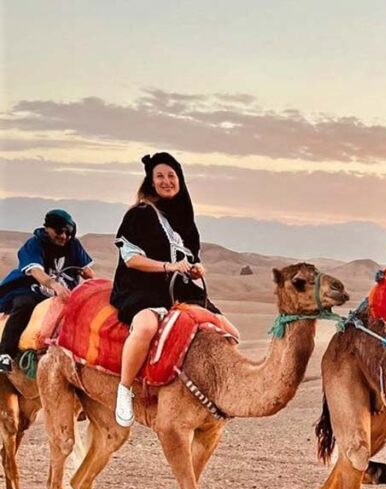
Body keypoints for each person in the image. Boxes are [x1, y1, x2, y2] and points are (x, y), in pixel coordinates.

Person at [111, 152, 238, 427]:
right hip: (141, 287)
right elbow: (131, 259)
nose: (167, 181)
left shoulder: (186, 221)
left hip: (180, 289)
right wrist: (168, 267)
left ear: (180, 180)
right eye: (160, 176)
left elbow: (189, 258)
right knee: (145, 326)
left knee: (230, 331)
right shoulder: (139, 215)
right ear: (151, 181)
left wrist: (194, 269)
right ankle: (124, 389)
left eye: (172, 176)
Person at [0, 210, 95, 373]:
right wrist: (55, 286)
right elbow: (36, 271)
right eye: (59, 231)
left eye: (68, 232)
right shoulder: (34, 244)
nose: (64, 236)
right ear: (47, 228)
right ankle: (5, 354)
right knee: (24, 304)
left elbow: (87, 270)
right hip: (32, 289)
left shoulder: (73, 245)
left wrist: (87, 274)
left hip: (66, 293)